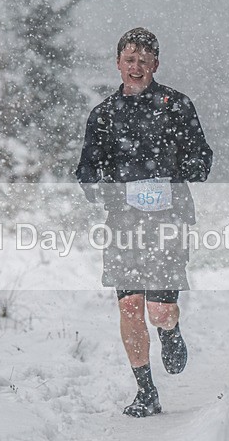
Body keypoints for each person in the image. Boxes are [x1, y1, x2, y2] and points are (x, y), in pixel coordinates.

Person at [76, 28, 212, 418]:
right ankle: (146, 392)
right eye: (129, 60)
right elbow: (87, 165)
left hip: (169, 219)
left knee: (157, 310)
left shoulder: (176, 105)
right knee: (130, 306)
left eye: (143, 60)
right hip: (123, 221)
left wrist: (169, 174)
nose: (136, 68)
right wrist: (94, 183)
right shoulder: (103, 114)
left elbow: (201, 160)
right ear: (118, 62)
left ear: (156, 63)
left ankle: (170, 330)